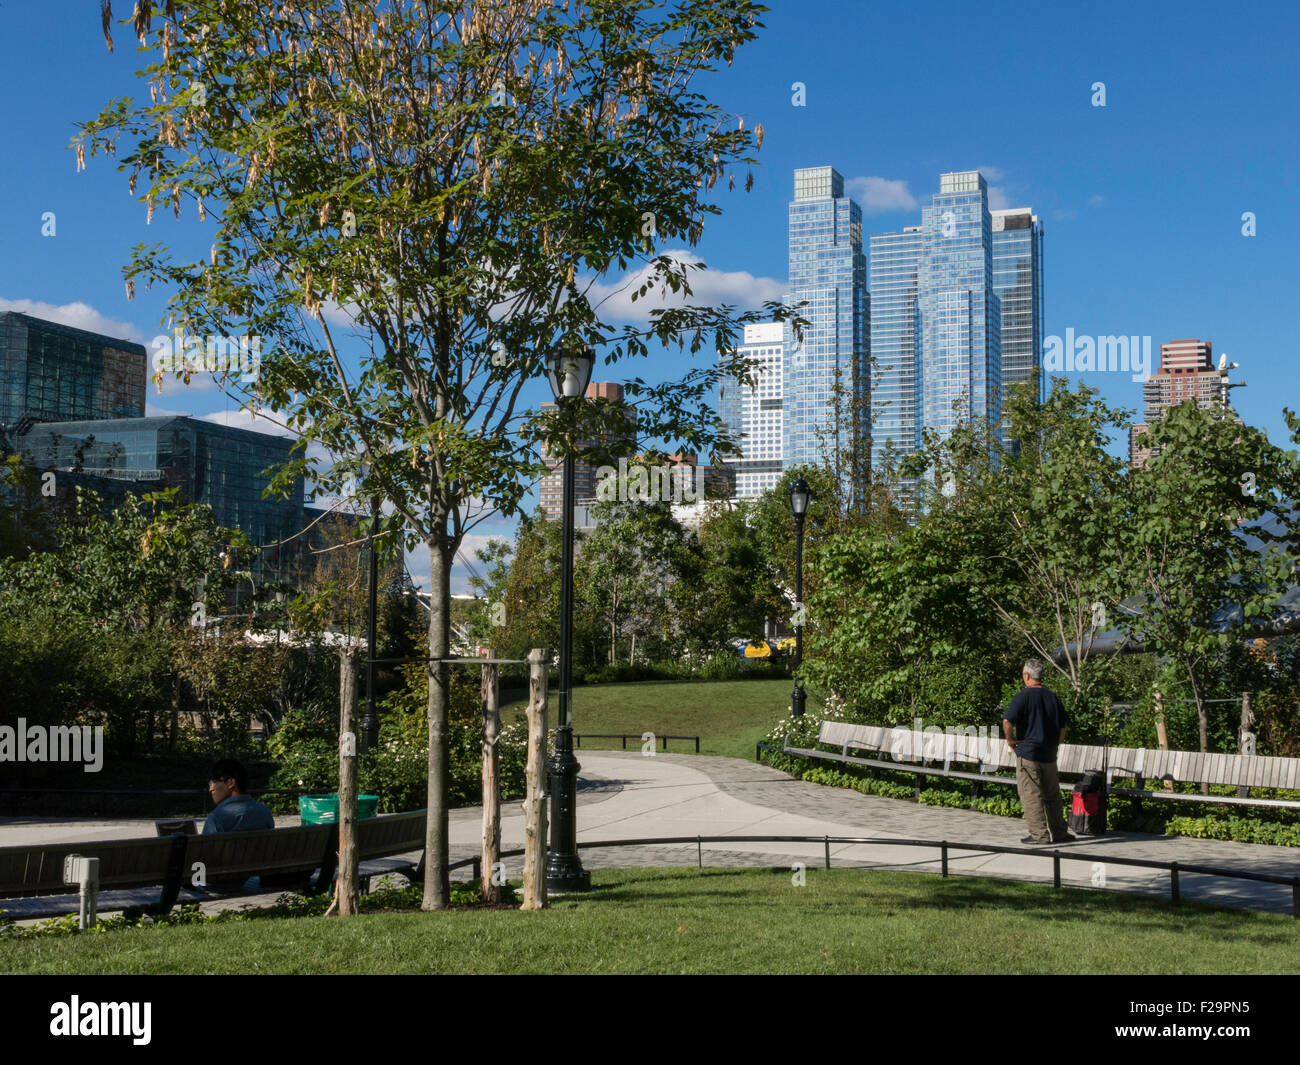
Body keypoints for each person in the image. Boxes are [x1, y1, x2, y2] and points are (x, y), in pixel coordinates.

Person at [1002, 660, 1075, 845]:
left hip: (1028, 754)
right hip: (1049, 755)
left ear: (1027, 676)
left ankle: (1039, 835)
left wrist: (1010, 740)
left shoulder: (1023, 697)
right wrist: (1055, 743)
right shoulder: (1053, 697)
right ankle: (1060, 833)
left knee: (1031, 795)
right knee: (1053, 796)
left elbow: (1007, 721)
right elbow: (1064, 726)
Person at [203, 758, 275, 834]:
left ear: (230, 783)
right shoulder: (265, 812)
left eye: (213, 782)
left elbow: (204, 845)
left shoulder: (216, 818)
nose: (210, 789)